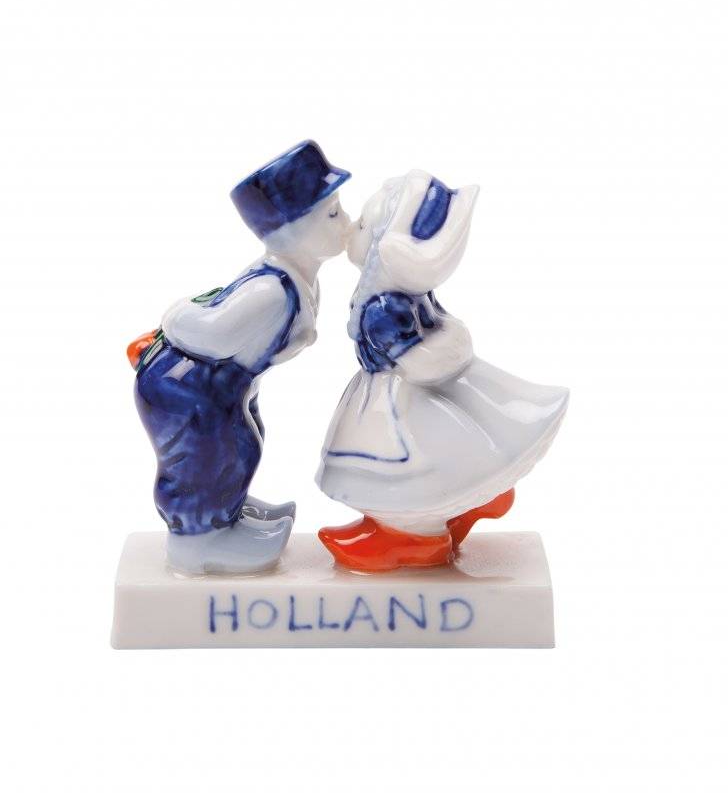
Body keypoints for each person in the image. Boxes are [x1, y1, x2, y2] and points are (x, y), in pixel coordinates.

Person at [316, 170, 569, 572]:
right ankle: (471, 496)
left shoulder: (383, 308)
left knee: (399, 473)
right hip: (401, 392)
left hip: (395, 404)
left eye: (362, 226)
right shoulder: (406, 295)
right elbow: (442, 335)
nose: (351, 230)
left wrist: (440, 353)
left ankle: (412, 537)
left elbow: (420, 363)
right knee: (451, 454)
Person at [128, 140, 351, 574]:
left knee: (244, 444)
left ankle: (227, 515)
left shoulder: (297, 278)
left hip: (225, 384)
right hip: (186, 388)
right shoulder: (270, 292)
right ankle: (195, 543)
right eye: (332, 214)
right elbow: (209, 331)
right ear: (292, 230)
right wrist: (175, 313)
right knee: (211, 457)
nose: (345, 222)